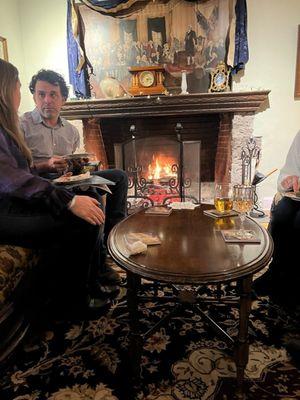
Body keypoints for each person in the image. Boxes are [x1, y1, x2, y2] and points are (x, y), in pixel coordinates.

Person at [0, 59, 110, 315]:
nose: (20, 94)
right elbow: (10, 180)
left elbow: (19, 175)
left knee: (94, 196)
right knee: (82, 219)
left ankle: (89, 279)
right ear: (7, 91)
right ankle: (71, 300)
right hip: (5, 213)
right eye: (18, 88)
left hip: (16, 203)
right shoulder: (15, 126)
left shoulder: (8, 127)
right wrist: (68, 201)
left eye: (53, 94)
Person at [20, 69, 128, 287]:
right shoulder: (22, 126)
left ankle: (111, 244)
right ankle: (97, 266)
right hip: (43, 183)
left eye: (53, 95)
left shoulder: (71, 131)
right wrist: (45, 164)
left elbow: (73, 166)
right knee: (94, 194)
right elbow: (18, 171)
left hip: (70, 178)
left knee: (118, 177)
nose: (47, 100)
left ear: (63, 100)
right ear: (33, 96)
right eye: (41, 94)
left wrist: (83, 163)